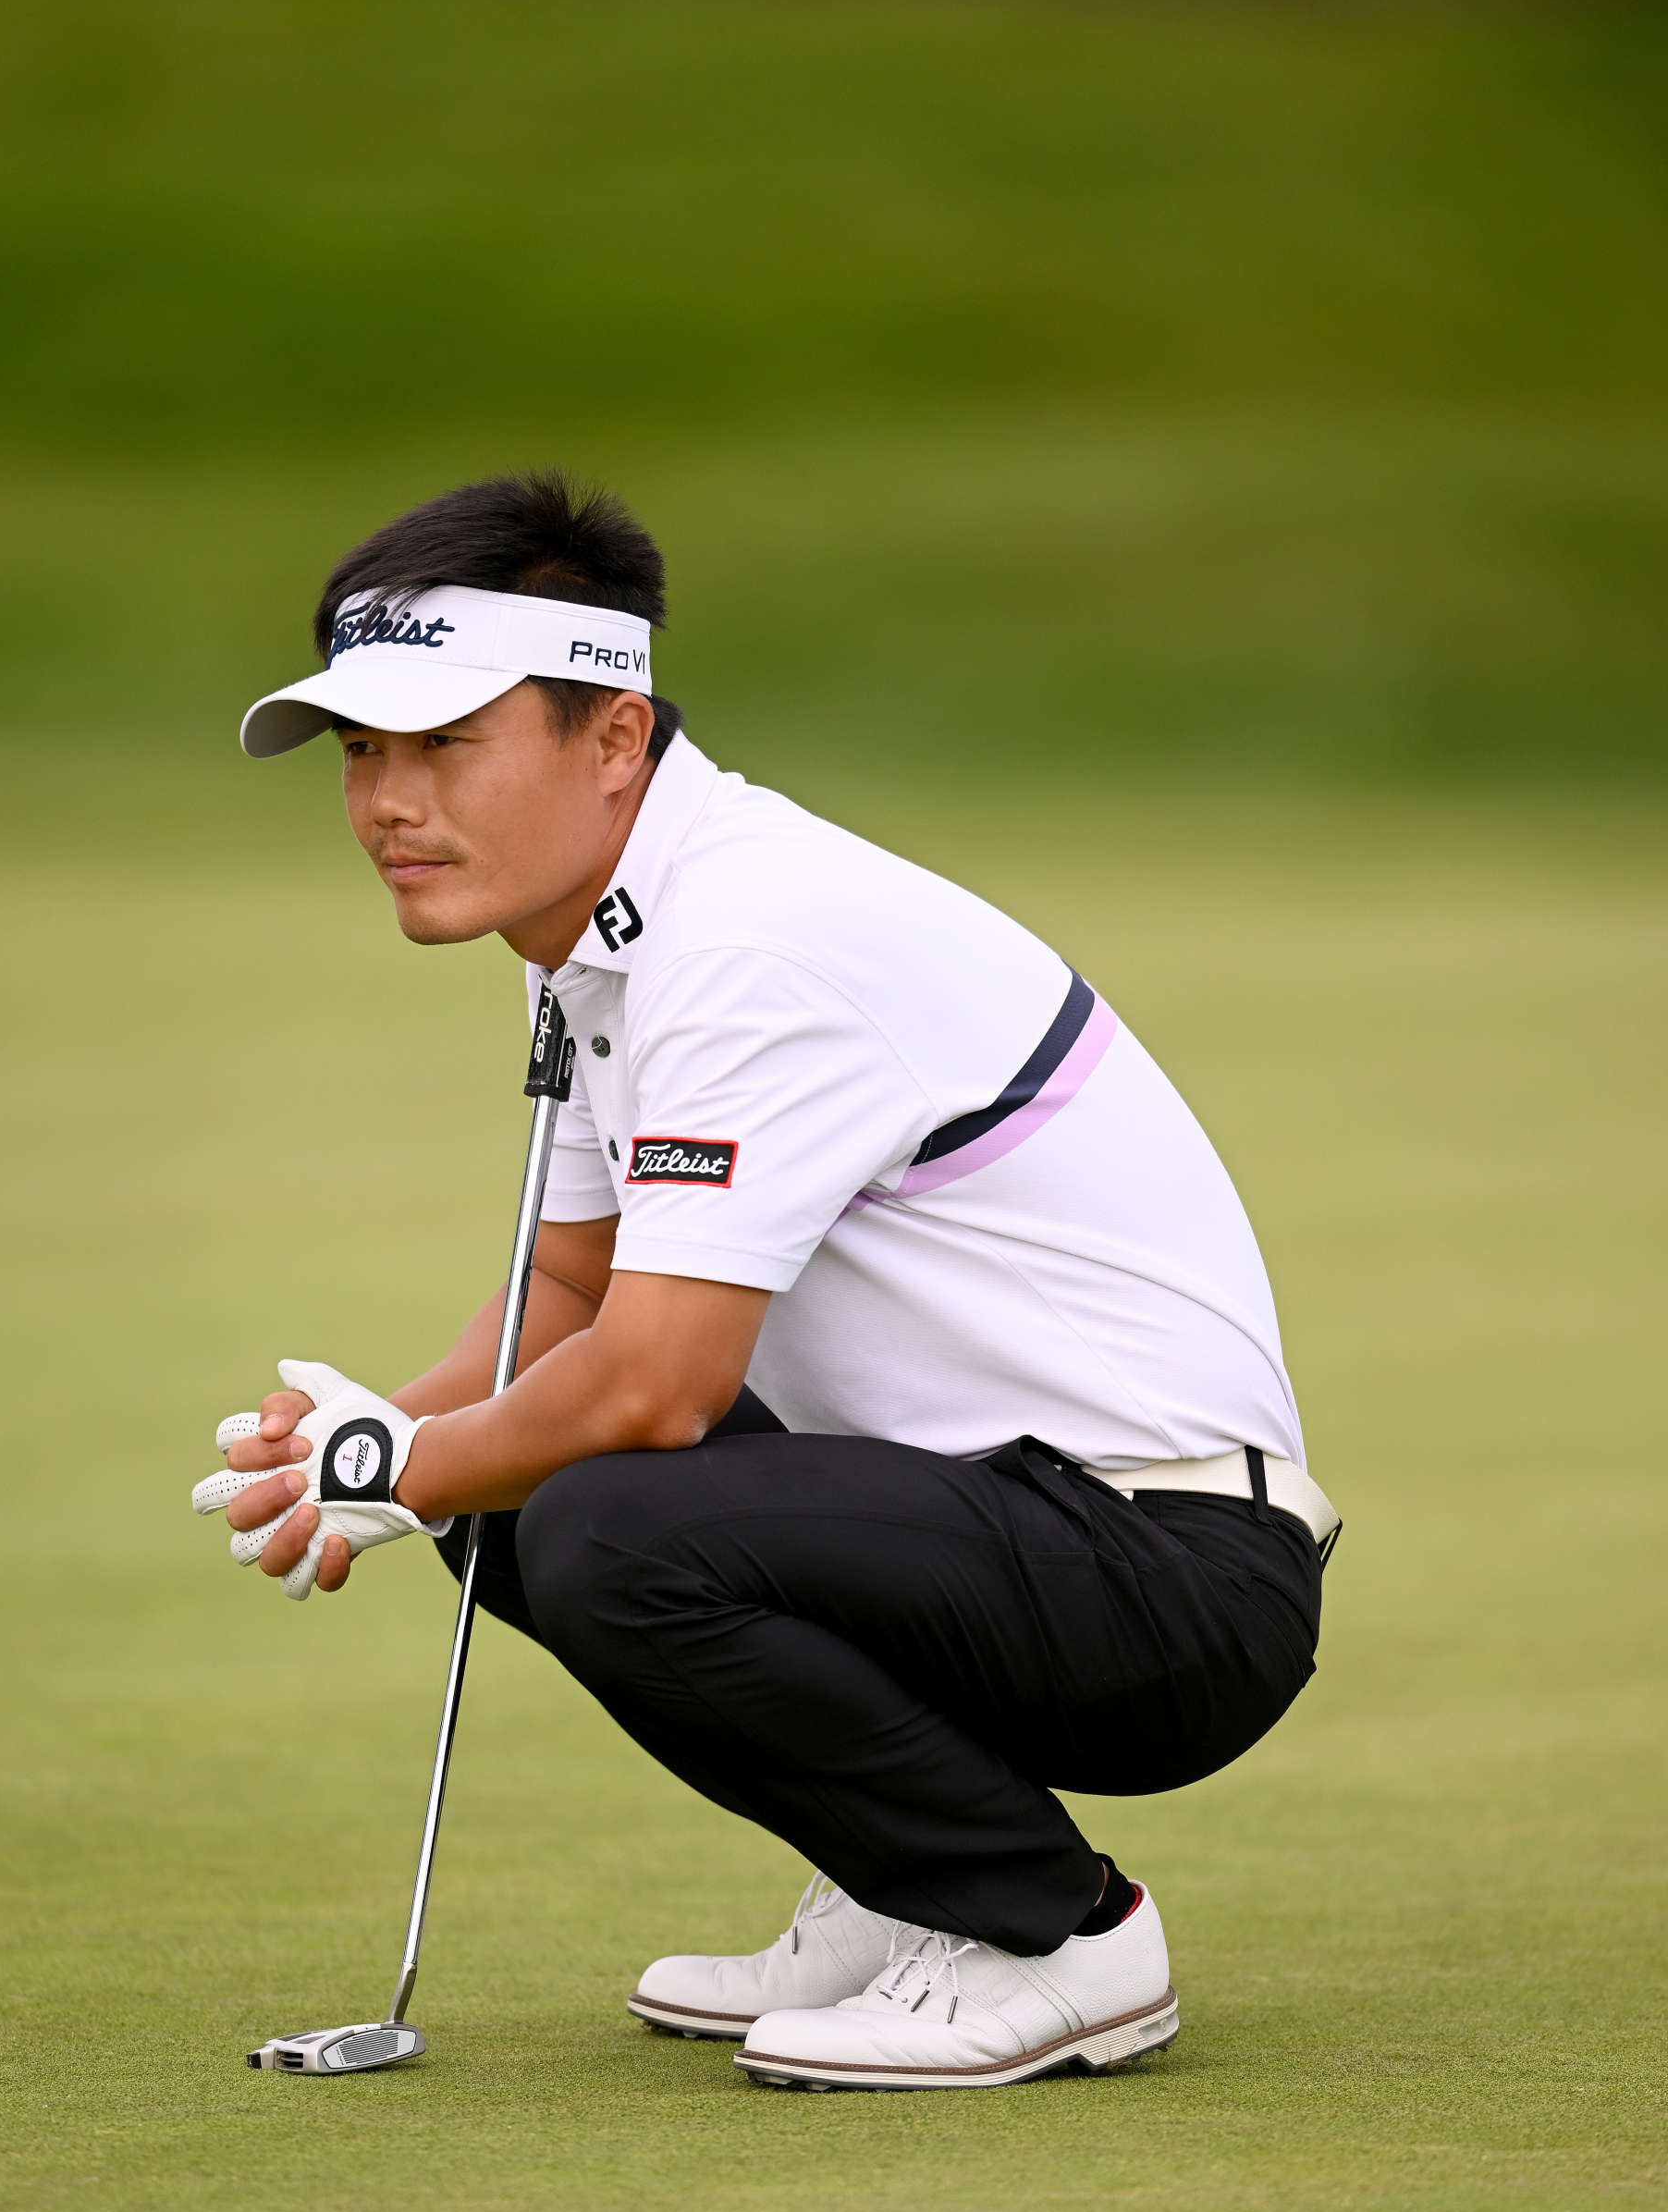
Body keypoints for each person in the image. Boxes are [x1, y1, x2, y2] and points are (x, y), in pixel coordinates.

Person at [194, 467, 1338, 2094]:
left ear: (615, 736)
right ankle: (904, 1882)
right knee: (519, 1477)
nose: (388, 799)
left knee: (594, 1512)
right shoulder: (606, 938)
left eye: (445, 743)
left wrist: (413, 1464)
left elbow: (657, 1385)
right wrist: (369, 1443)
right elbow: (570, 1296)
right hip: (1005, 1525)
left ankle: (1053, 1931)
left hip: (1168, 1574)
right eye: (362, 751)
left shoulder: (744, 944)